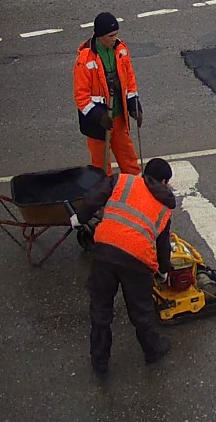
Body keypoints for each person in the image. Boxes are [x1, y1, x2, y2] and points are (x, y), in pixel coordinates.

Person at [70, 158, 175, 375]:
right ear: (164, 182)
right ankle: (152, 350)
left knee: (100, 309)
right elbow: (163, 244)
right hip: (137, 262)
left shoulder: (122, 181)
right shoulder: (164, 209)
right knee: (141, 310)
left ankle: (99, 361)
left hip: (105, 251)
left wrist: (79, 218)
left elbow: (93, 199)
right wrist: (164, 271)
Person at [73, 11, 144, 176]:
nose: (114, 39)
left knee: (130, 162)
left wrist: (134, 106)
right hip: (98, 124)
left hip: (118, 118)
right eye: (110, 36)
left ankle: (136, 192)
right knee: (102, 169)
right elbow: (81, 98)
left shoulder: (121, 51)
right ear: (100, 36)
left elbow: (130, 81)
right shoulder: (84, 61)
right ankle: (107, 198)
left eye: (116, 35)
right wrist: (100, 116)